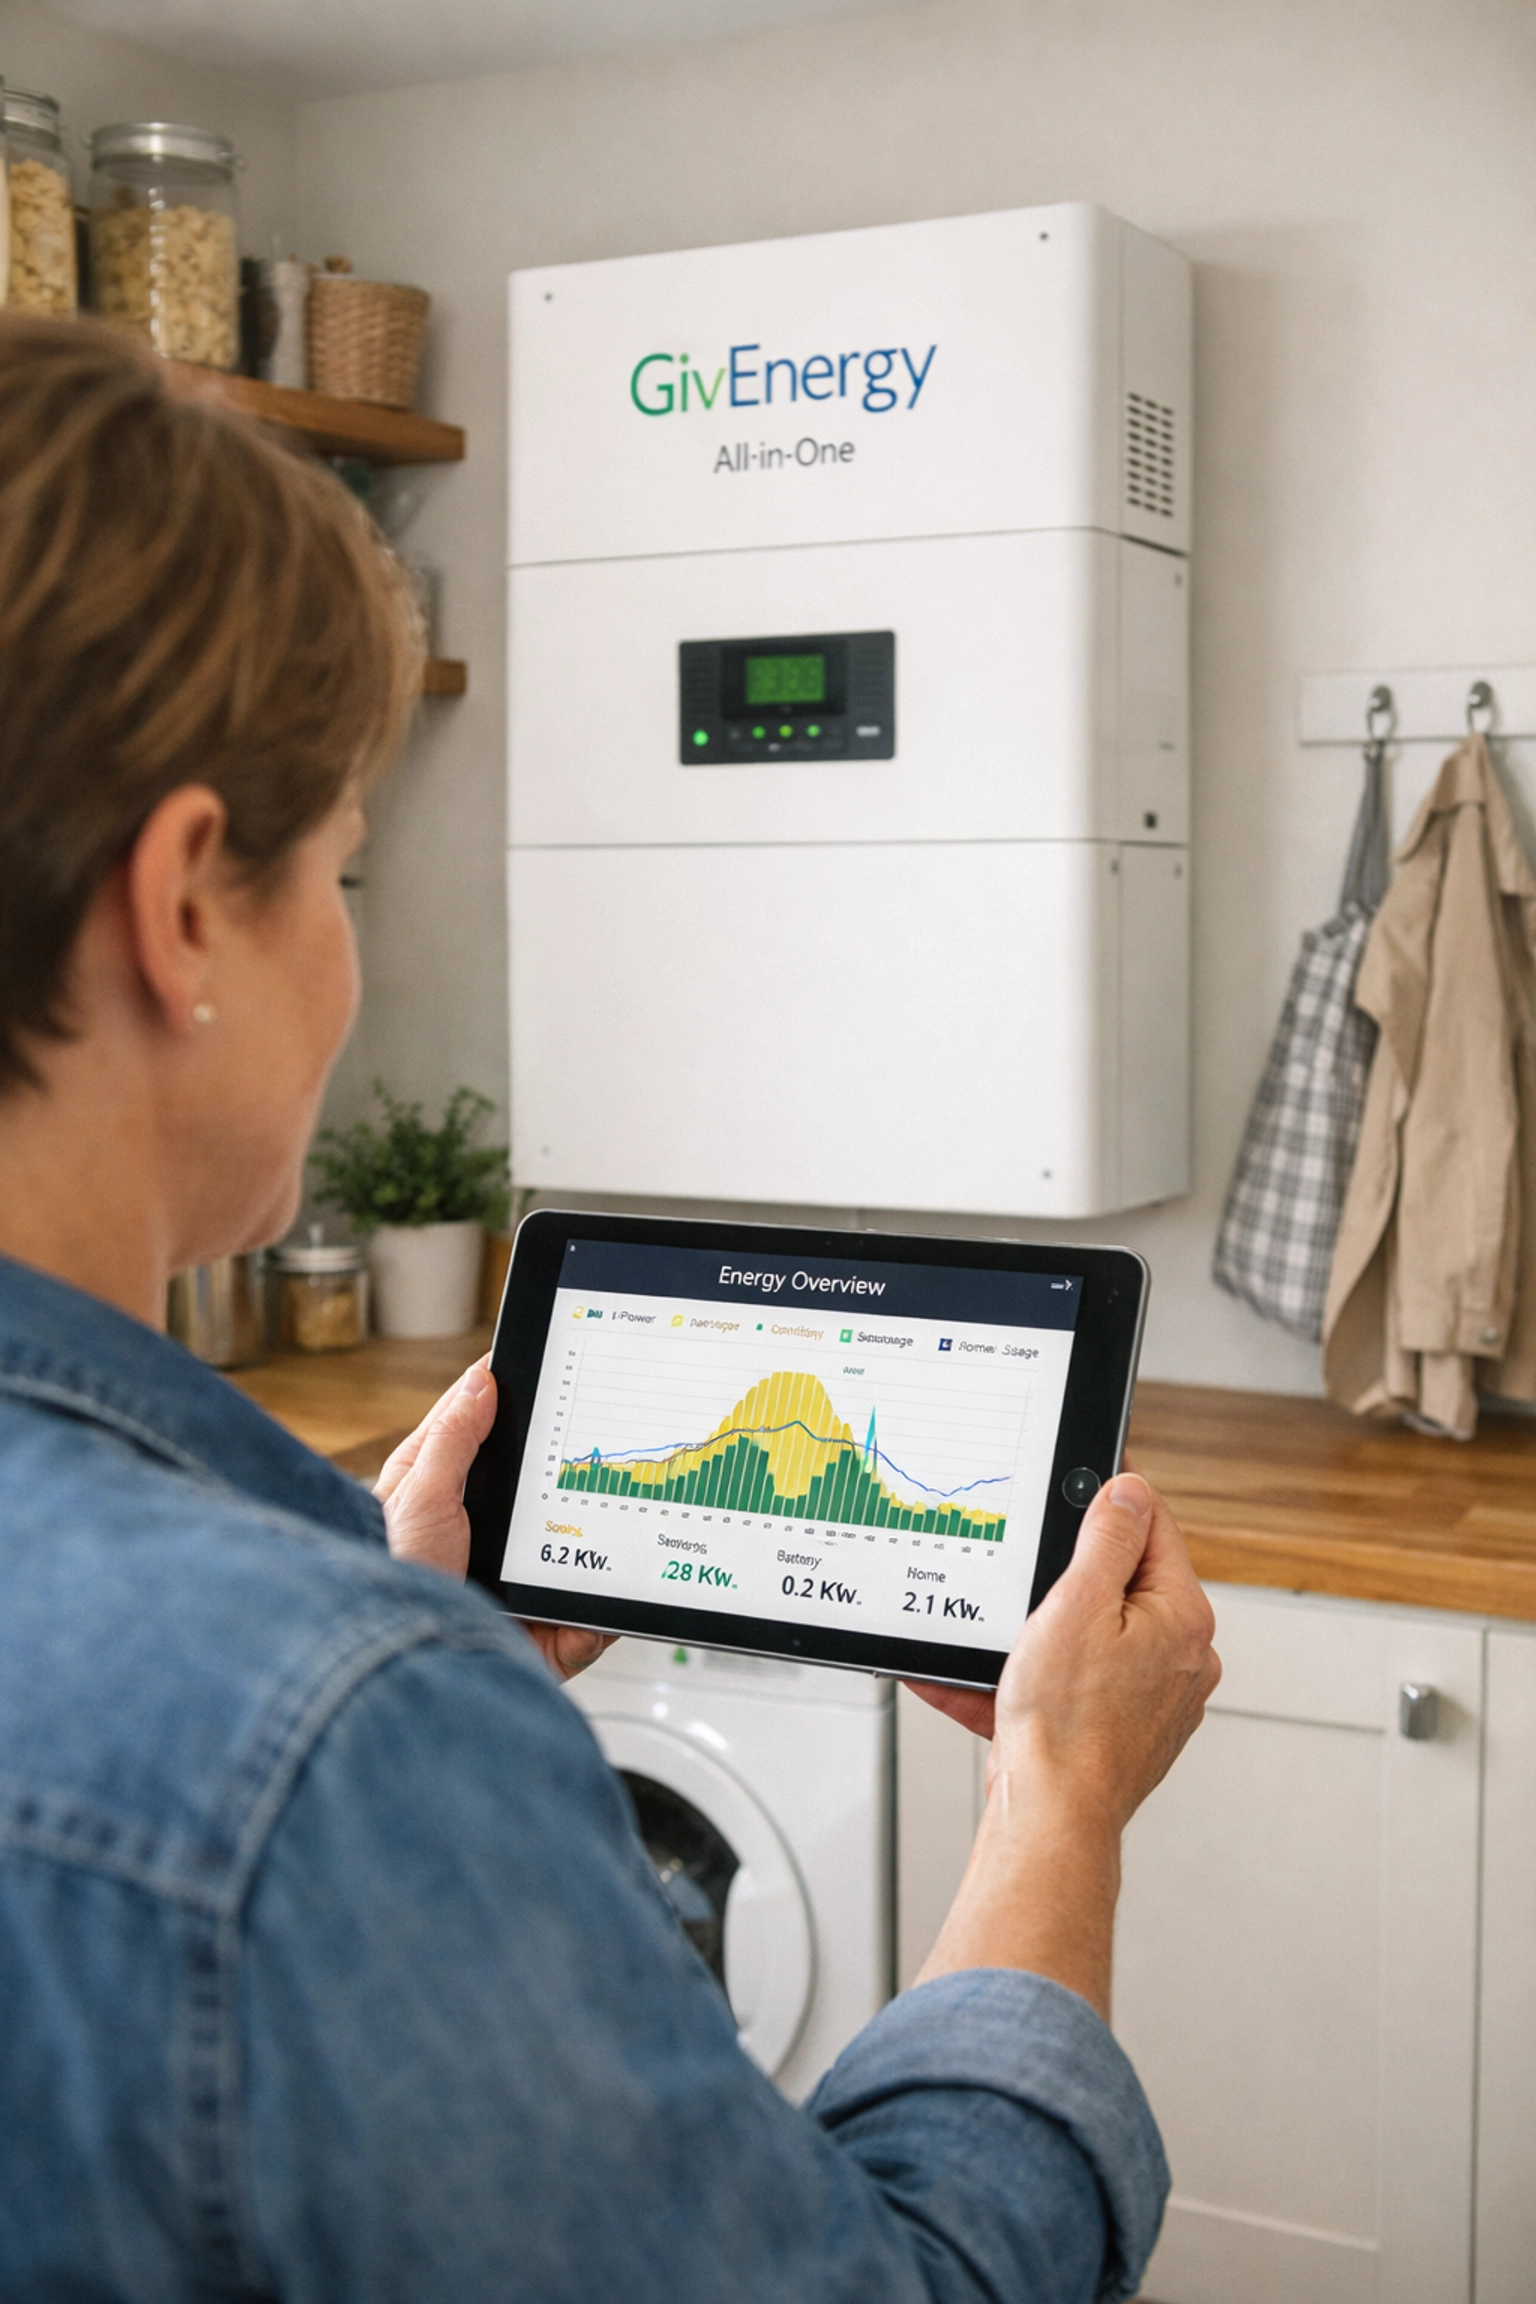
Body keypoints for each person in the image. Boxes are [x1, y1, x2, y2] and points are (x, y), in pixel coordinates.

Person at [0, 313, 1220, 2303]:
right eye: (345, 874)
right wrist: (1061, 1797)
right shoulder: (329, 1740)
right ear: (183, 905)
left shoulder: (340, 1687)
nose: (347, 963)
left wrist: (398, 1624)